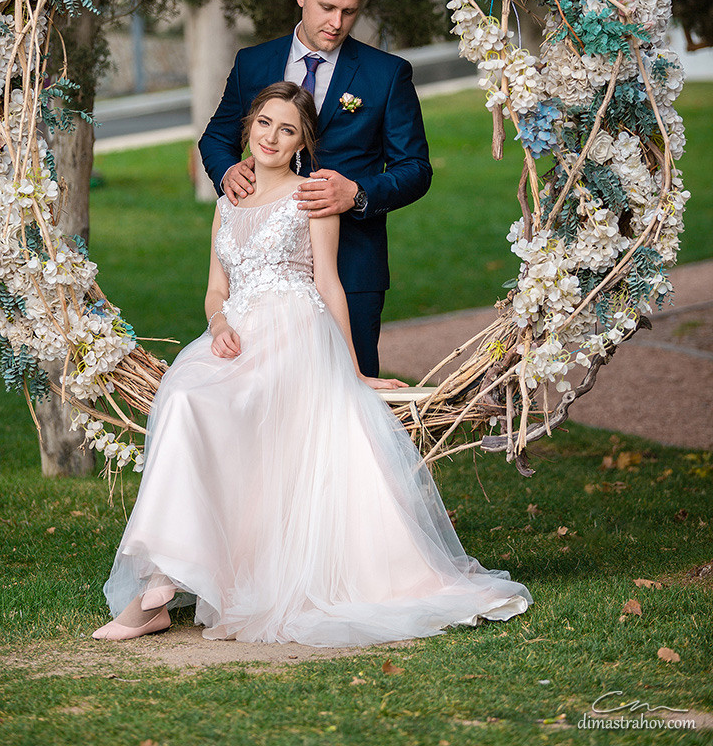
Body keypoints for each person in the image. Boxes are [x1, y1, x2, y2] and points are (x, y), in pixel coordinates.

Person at [93, 82, 532, 645]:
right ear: (248, 127)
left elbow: (329, 282)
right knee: (181, 399)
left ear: (302, 142)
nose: (273, 138)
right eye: (265, 125)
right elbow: (213, 290)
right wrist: (221, 325)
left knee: (217, 408)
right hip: (236, 335)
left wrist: (351, 370)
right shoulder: (228, 202)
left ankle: (159, 586)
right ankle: (159, 578)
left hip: (294, 335)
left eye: (288, 130)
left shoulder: (311, 196)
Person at [198, 0, 432, 379]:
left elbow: (416, 168)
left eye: (349, 12)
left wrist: (357, 194)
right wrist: (228, 171)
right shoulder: (253, 63)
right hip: (265, 275)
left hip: (351, 264)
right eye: (327, 7)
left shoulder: (386, 74)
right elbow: (216, 137)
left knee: (347, 396)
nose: (336, 23)